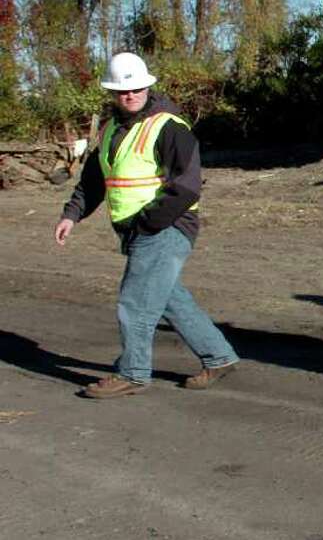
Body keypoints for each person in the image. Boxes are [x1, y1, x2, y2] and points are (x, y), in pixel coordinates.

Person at [53, 52, 240, 399]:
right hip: (138, 231)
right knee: (169, 298)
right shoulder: (110, 131)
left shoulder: (168, 127)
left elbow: (186, 186)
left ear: (147, 86)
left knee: (135, 302)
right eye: (123, 90)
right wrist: (71, 214)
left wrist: (147, 223)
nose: (130, 94)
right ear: (112, 93)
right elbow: (94, 180)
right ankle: (219, 357)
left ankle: (133, 373)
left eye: (136, 87)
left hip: (164, 228)